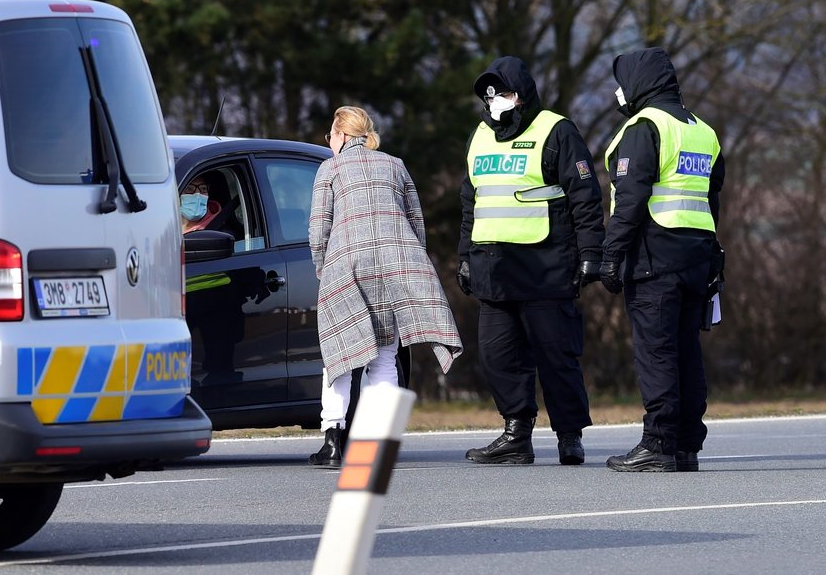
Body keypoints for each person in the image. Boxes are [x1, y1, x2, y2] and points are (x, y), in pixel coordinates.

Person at [458, 56, 604, 466]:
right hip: (492, 268)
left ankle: (569, 436)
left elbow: (585, 197)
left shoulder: (557, 131)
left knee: (556, 355)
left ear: (519, 95)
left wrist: (591, 252)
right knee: (497, 356)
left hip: (546, 264)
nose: (493, 102)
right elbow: (470, 203)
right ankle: (516, 434)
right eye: (487, 96)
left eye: (500, 93)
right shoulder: (480, 137)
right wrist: (464, 257)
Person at [308, 105, 463, 467]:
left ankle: (332, 441)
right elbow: (416, 223)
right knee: (384, 358)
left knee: (339, 357)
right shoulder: (395, 165)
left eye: (330, 135)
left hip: (347, 267)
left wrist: (321, 267)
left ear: (342, 136)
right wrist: (411, 265)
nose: (329, 142)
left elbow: (319, 231)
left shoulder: (329, 170)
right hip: (395, 268)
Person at [599, 47, 725, 472]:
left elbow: (630, 200)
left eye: (622, 81)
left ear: (638, 82)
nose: (618, 91)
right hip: (696, 258)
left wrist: (611, 257)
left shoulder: (644, 127)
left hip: (653, 256)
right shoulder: (702, 131)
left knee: (656, 352)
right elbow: (712, 199)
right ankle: (685, 443)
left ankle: (657, 443)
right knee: (687, 350)